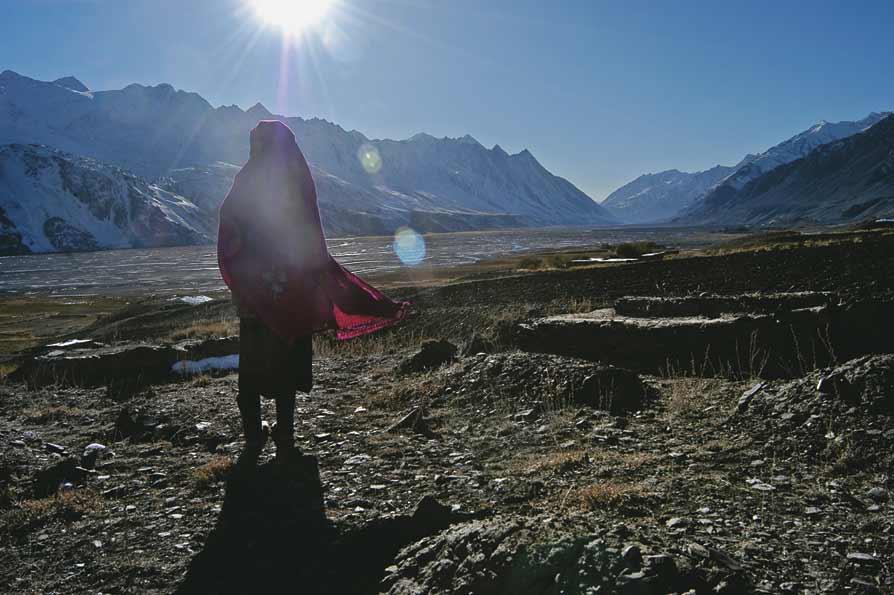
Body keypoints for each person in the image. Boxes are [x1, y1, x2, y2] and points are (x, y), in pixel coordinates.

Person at [218, 120, 410, 461]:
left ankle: (252, 436)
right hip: (292, 293)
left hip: (254, 297)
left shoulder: (244, 182)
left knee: (252, 366)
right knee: (286, 361)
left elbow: (229, 234)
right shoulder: (297, 185)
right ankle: (285, 436)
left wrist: (247, 274)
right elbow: (309, 239)